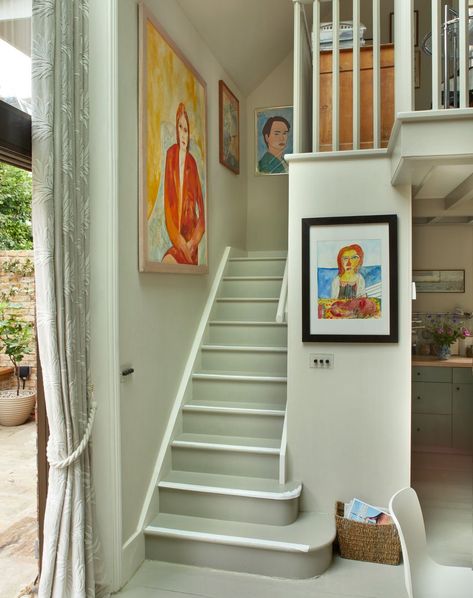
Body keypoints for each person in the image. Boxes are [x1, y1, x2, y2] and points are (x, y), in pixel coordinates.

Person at [162, 102, 205, 265]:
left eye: (186, 130)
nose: (183, 134)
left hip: (191, 242)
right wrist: (179, 242)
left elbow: (202, 214)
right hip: (178, 241)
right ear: (176, 130)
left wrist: (193, 242)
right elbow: (167, 205)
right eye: (180, 128)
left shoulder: (192, 163)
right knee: (167, 262)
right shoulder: (170, 155)